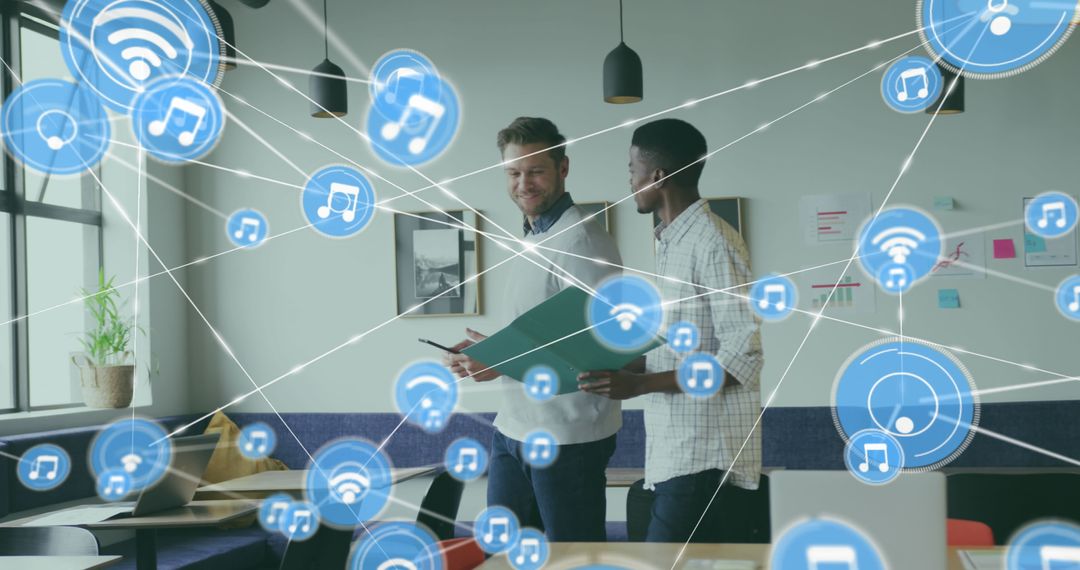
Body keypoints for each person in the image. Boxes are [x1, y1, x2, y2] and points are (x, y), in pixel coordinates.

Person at [578, 118, 764, 543]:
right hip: (676, 455)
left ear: (657, 176)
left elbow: (742, 356)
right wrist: (615, 364)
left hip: (704, 457)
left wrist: (640, 384)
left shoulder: (712, 241)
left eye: (632, 169)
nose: (629, 181)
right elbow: (682, 347)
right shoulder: (674, 243)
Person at [443, 117, 623, 541]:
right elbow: (543, 332)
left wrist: (502, 361)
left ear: (563, 168)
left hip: (566, 436)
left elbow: (597, 346)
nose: (524, 183)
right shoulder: (536, 236)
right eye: (513, 172)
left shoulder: (581, 241)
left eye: (536, 170)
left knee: (572, 559)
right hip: (513, 428)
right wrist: (493, 348)